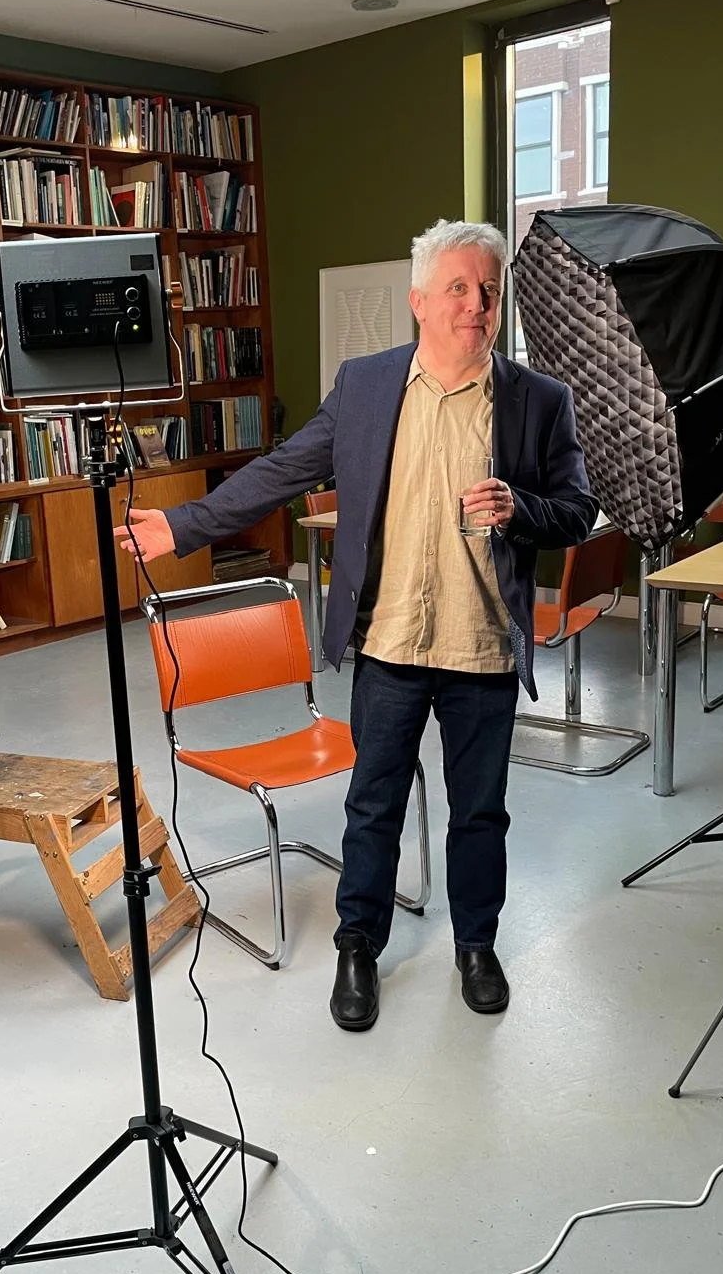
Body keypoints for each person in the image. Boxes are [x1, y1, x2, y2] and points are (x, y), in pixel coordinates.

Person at [116, 219, 596, 1030]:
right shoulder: (369, 385)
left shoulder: (538, 401)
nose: (476, 304)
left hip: (481, 651)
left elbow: (578, 511)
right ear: (418, 301)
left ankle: (477, 946)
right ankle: (356, 948)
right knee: (372, 805)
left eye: (488, 288)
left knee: (480, 813)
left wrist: (522, 508)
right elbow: (284, 467)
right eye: (457, 288)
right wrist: (186, 525)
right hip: (391, 644)